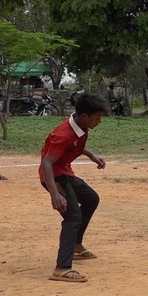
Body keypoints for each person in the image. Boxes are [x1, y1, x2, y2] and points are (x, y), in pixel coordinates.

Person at [38, 93, 109, 282]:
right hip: (54, 176)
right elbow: (47, 163)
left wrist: (91, 155)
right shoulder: (63, 134)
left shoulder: (80, 125)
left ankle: (77, 244)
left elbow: (75, 145)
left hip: (64, 173)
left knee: (91, 198)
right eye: (98, 117)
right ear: (85, 115)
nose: (99, 121)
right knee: (72, 216)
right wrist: (54, 194)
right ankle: (62, 267)